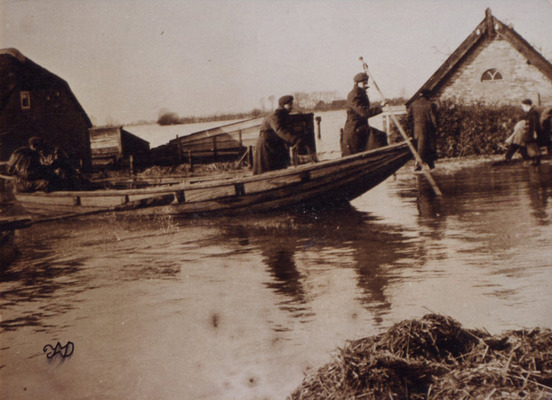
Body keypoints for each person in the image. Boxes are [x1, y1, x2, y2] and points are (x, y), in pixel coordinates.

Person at [253, 95, 303, 175]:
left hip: (274, 145)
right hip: (266, 146)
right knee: (265, 171)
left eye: (291, 104)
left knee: (279, 169)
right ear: (283, 105)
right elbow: (280, 130)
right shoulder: (275, 116)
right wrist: (295, 140)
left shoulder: (283, 115)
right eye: (289, 104)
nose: (291, 107)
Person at [341, 72, 385, 156]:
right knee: (353, 159)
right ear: (357, 83)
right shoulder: (354, 95)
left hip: (361, 130)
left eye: (366, 83)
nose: (366, 85)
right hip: (354, 132)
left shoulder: (361, 93)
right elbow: (364, 112)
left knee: (380, 137)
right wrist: (380, 107)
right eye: (364, 83)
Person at [406, 89, 439, 170]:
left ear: (420, 94)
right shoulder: (430, 104)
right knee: (428, 147)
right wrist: (435, 128)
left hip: (416, 130)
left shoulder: (413, 104)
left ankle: (426, 165)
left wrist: (414, 125)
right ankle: (421, 166)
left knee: (420, 147)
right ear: (427, 95)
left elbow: (408, 118)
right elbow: (434, 119)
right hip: (428, 130)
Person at [520, 99, 541, 166]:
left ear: (527, 105)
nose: (522, 108)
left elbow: (535, 123)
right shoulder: (529, 113)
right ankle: (534, 162)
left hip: (531, 134)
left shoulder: (533, 113)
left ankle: (535, 162)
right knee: (529, 147)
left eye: (522, 106)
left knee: (532, 147)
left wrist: (535, 132)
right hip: (528, 133)